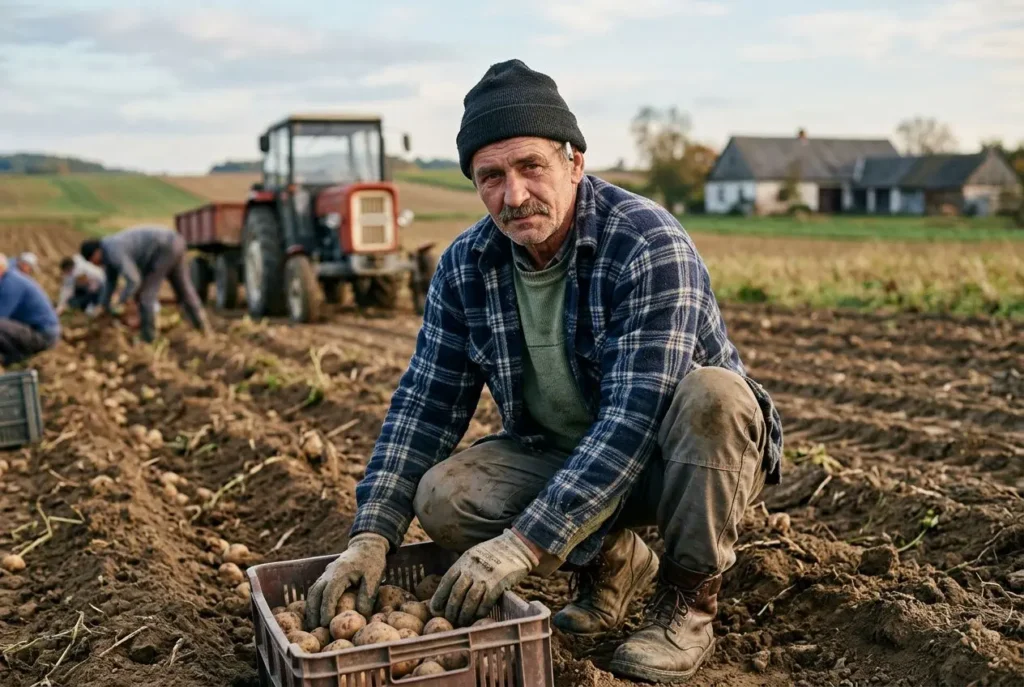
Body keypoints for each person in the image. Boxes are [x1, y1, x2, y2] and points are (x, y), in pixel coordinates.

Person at [304, 60, 784, 684]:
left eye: (532, 167)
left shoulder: (646, 242)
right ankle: (613, 561)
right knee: (445, 496)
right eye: (491, 177)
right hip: (563, 452)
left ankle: (688, 601)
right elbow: (426, 403)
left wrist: (524, 544)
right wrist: (371, 534)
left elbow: (634, 420)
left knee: (714, 395)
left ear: (574, 163)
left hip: (682, 461)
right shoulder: (466, 266)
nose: (514, 195)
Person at [80, 226, 209, 342]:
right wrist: (103, 305)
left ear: (96, 253)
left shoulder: (113, 251)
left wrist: (121, 301)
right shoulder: (108, 250)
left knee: (145, 296)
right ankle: (203, 329)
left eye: (92, 261)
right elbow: (110, 282)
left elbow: (133, 280)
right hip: (175, 241)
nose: (94, 265)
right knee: (184, 290)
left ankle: (149, 338)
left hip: (163, 249)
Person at [0, 253, 60, 365]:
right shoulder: (9, 278)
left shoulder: (11, 284)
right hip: (33, 330)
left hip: (43, 336)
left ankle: (14, 356)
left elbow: (2, 314)